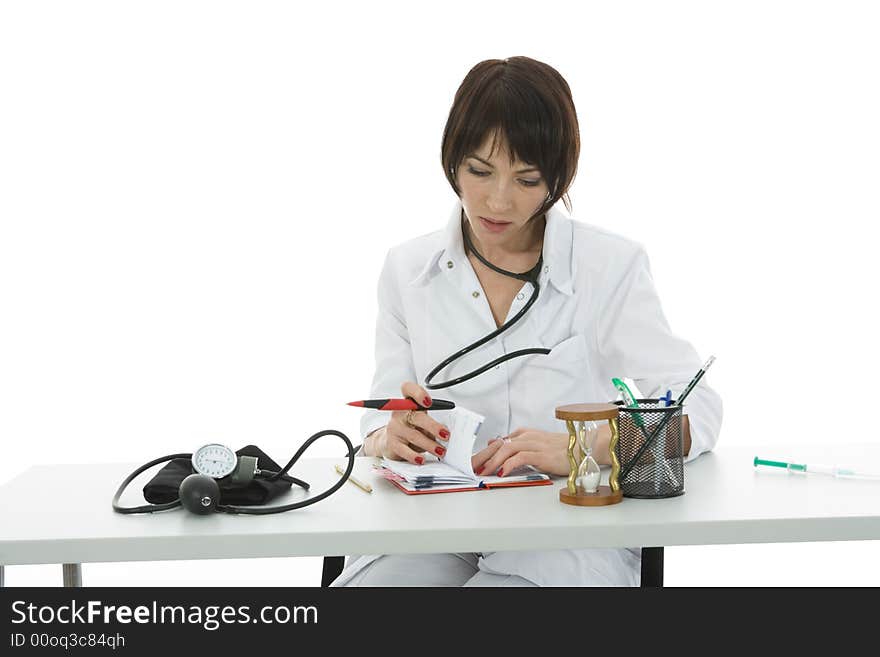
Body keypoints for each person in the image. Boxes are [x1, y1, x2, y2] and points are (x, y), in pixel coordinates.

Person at [331, 56, 722, 587]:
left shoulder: (608, 266)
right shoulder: (406, 270)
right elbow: (380, 413)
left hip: (564, 533)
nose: (497, 200)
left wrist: (589, 444)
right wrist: (391, 434)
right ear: (451, 162)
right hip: (431, 525)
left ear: (557, 177)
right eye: (479, 171)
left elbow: (697, 409)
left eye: (527, 179)